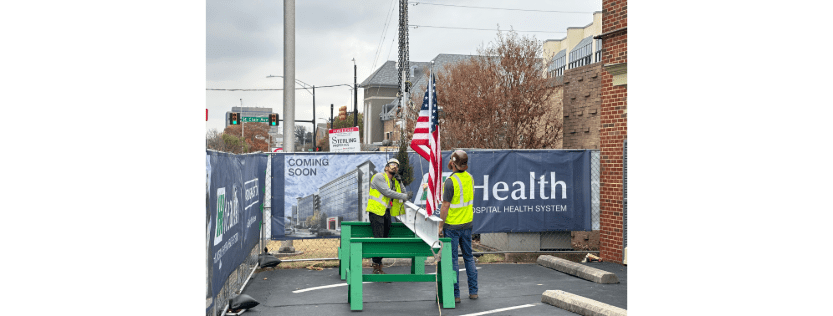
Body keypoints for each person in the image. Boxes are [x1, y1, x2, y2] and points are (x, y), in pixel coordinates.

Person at [438, 150, 478, 304]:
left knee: (453, 260)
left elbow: (445, 206)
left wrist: (440, 226)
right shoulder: (469, 178)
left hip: (452, 227)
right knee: (469, 258)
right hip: (467, 225)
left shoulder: (450, 182)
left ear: (453, 163)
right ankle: (473, 291)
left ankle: (456, 295)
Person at [366, 158, 413, 274]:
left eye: (397, 165)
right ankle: (376, 266)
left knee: (385, 238)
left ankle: (378, 265)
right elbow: (388, 192)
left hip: (386, 212)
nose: (395, 167)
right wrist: (404, 196)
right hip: (376, 212)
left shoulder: (394, 181)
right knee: (379, 239)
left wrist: (400, 181)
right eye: (392, 164)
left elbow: (403, 191)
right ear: (386, 167)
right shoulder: (379, 177)